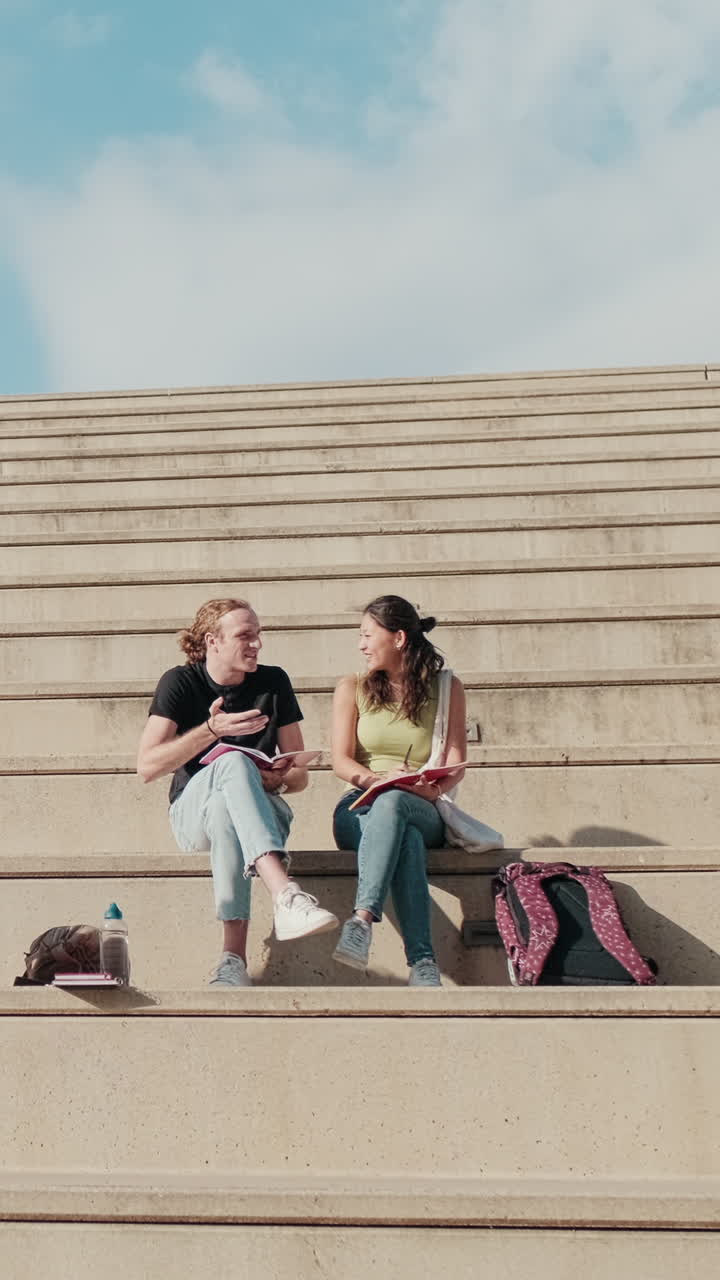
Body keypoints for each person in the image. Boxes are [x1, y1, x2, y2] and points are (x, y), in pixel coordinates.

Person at [137, 597, 338, 987]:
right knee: (229, 764)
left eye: (259, 635)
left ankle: (232, 962)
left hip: (261, 811)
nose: (257, 644)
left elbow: (299, 776)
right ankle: (284, 894)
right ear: (213, 640)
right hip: (192, 817)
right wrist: (211, 732)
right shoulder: (180, 682)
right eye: (245, 635)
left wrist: (275, 778)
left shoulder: (274, 682)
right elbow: (147, 766)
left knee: (231, 803)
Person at [330, 595, 467, 987]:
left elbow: (455, 763)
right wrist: (381, 780)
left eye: (368, 635)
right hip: (357, 807)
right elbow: (341, 762)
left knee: (398, 808)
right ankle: (423, 963)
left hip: (423, 803)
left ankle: (361, 920)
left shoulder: (447, 687)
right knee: (400, 829)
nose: (361, 645)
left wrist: (421, 788)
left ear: (400, 638)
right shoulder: (351, 687)